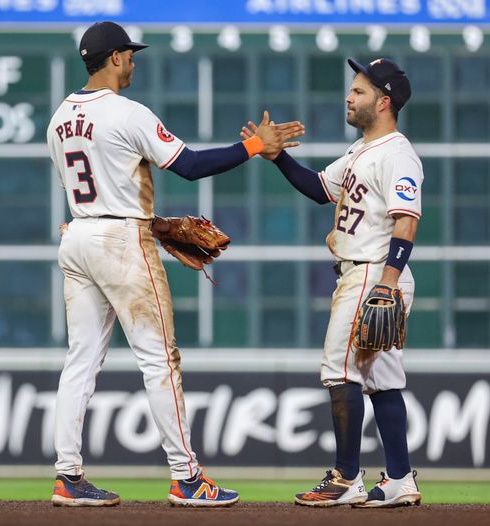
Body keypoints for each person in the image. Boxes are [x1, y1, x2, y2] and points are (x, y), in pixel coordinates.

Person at [47, 21, 304, 507]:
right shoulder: (127, 112)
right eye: (130, 54)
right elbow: (189, 166)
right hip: (121, 240)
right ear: (117, 57)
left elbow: (93, 189)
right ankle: (187, 477)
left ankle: (67, 475)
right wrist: (253, 146)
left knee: (79, 360)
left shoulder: (59, 119)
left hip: (78, 235)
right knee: (159, 359)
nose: (134, 61)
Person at [241, 57, 423, 508]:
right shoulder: (360, 152)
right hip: (367, 273)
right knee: (382, 380)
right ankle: (399, 479)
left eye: (359, 91)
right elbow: (319, 187)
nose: (349, 96)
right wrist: (278, 156)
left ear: (384, 102)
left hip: (372, 272)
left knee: (339, 370)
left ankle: (346, 477)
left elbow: (406, 222)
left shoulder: (397, 153)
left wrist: (388, 281)